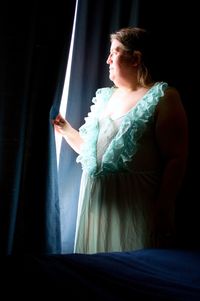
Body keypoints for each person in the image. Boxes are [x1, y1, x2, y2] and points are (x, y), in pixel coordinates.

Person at [53, 27, 188, 253]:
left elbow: (176, 158)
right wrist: (66, 129)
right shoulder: (106, 98)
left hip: (137, 210)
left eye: (114, 53)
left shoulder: (163, 97)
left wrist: (164, 207)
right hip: (97, 210)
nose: (107, 60)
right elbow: (92, 156)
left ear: (135, 58)